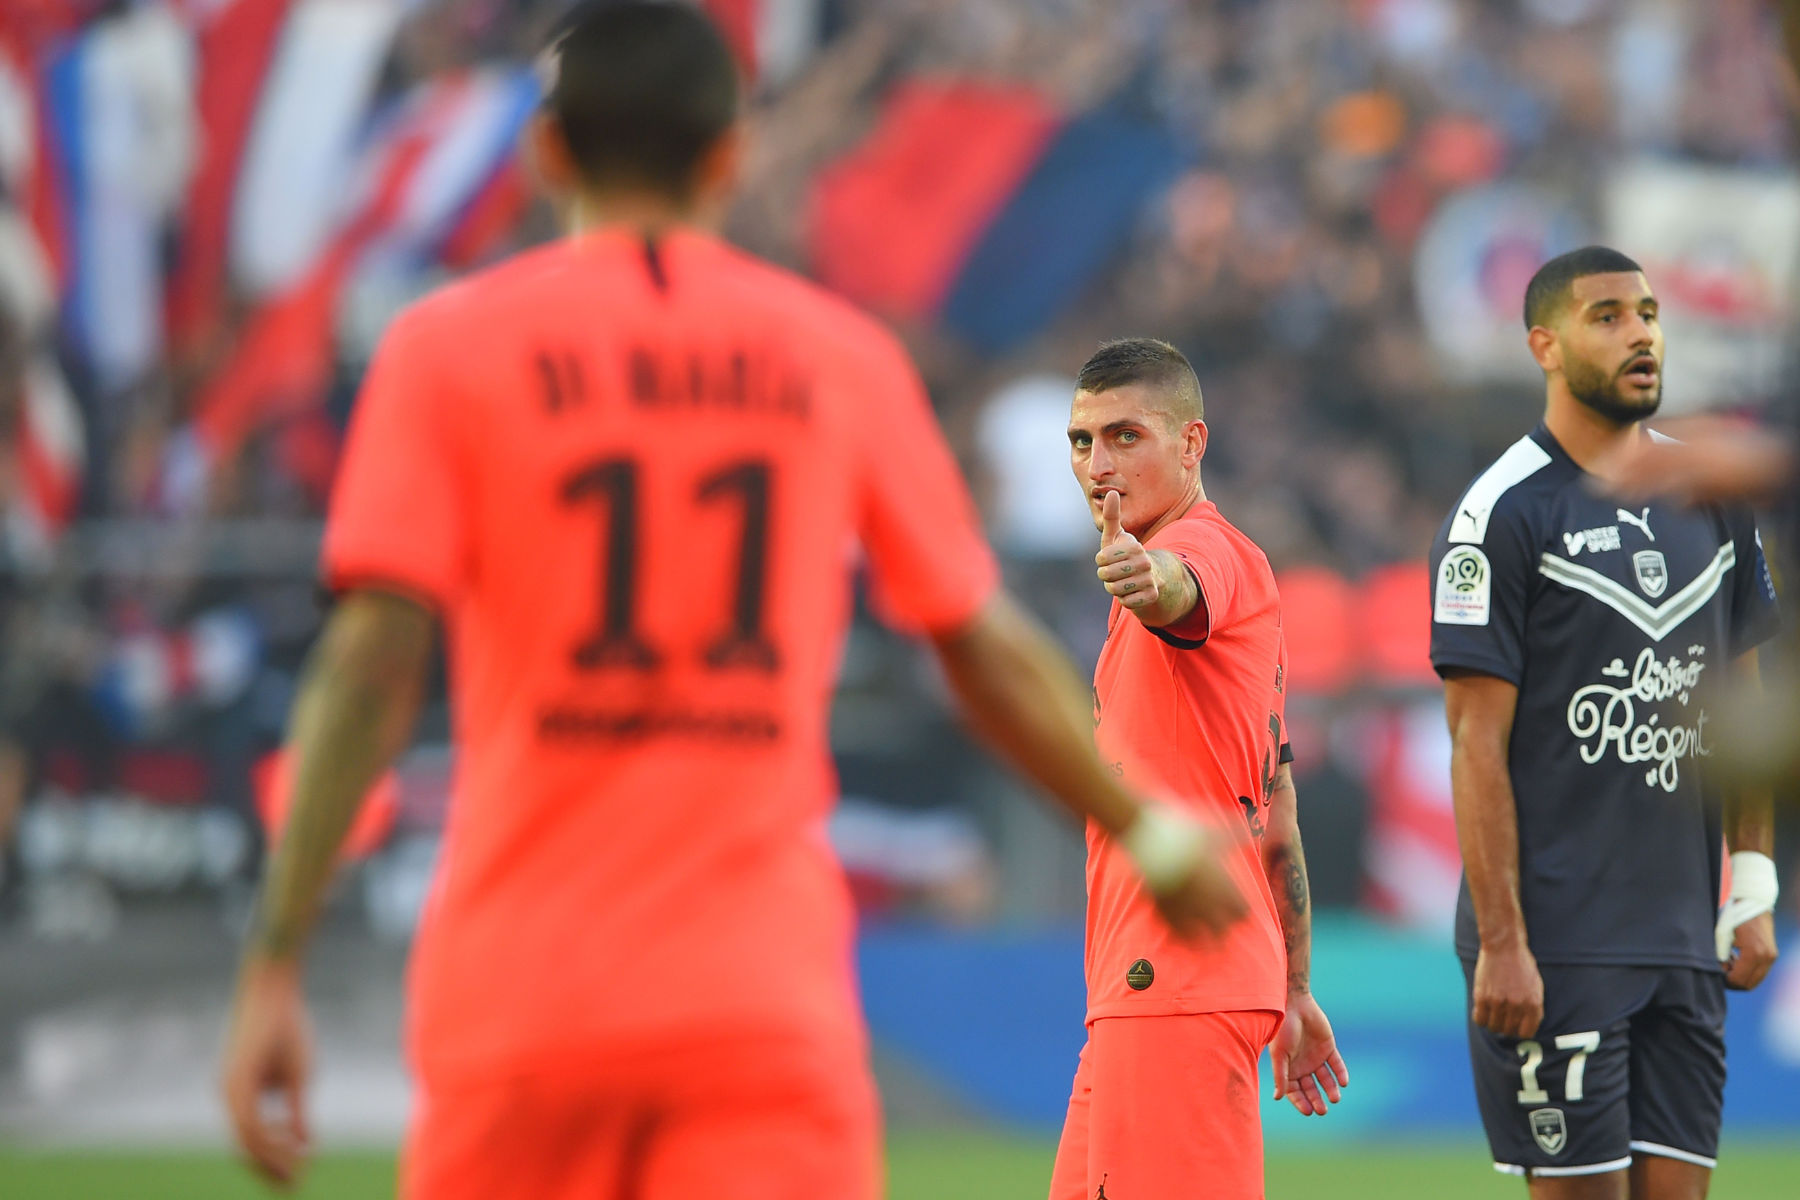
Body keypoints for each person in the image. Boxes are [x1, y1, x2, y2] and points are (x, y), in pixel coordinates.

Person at [216, 6, 1246, 1199]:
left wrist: (275, 958)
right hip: (755, 1000)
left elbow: (368, 669)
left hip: (519, 992)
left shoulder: (444, 351)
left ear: (548, 153)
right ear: (727, 154)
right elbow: (979, 642)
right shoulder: (836, 357)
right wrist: (1144, 827)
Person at [1429, 246, 1782, 1198]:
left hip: (1679, 935)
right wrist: (1503, 939)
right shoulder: (1500, 514)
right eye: (1609, 316)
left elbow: (1746, 703)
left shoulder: (1713, 496)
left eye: (1651, 313)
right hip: (1558, 938)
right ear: (1544, 345)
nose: (1642, 334)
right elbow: (1475, 746)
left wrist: (1750, 879)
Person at [1048, 338, 1347, 1200]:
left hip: (1172, 978)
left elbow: (1181, 588)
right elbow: (1275, 803)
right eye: (1081, 441)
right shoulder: (1233, 590)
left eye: (1125, 436)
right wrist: (1292, 989)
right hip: (1153, 984)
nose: (1098, 463)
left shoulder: (1209, 553)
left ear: (1191, 443)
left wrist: (1148, 577)